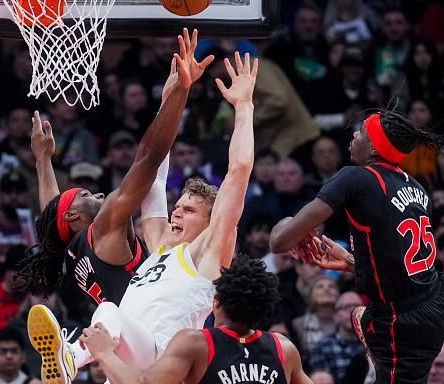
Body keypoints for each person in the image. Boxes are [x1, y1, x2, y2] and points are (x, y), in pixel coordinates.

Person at [28, 51, 257, 384]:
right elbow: (156, 177)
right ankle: (70, 358)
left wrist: (244, 107)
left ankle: (72, 356)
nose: (176, 211)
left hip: (163, 358)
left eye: (189, 210)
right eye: (178, 206)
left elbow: (238, 172)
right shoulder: (162, 246)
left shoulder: (209, 251)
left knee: (108, 312)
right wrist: (172, 93)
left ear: (209, 224)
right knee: (109, 314)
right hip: (126, 356)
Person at [19, 28, 214, 306]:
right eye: (84, 195)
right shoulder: (103, 226)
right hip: (155, 328)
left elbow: (53, 208)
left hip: (133, 331)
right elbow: (149, 157)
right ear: (73, 217)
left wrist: (43, 159)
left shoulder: (72, 249)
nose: (97, 194)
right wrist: (181, 92)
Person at [270, 107, 444, 383]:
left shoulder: (356, 177)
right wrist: (352, 262)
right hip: (434, 300)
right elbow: (401, 261)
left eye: (363, 131)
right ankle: (368, 323)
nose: (355, 134)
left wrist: (289, 221)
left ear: (375, 148)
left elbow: (278, 241)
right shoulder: (417, 187)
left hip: (401, 322)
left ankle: (372, 328)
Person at [79, 256, 313, 384]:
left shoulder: (197, 343)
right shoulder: (284, 349)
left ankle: (72, 357)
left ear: (216, 302)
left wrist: (103, 353)